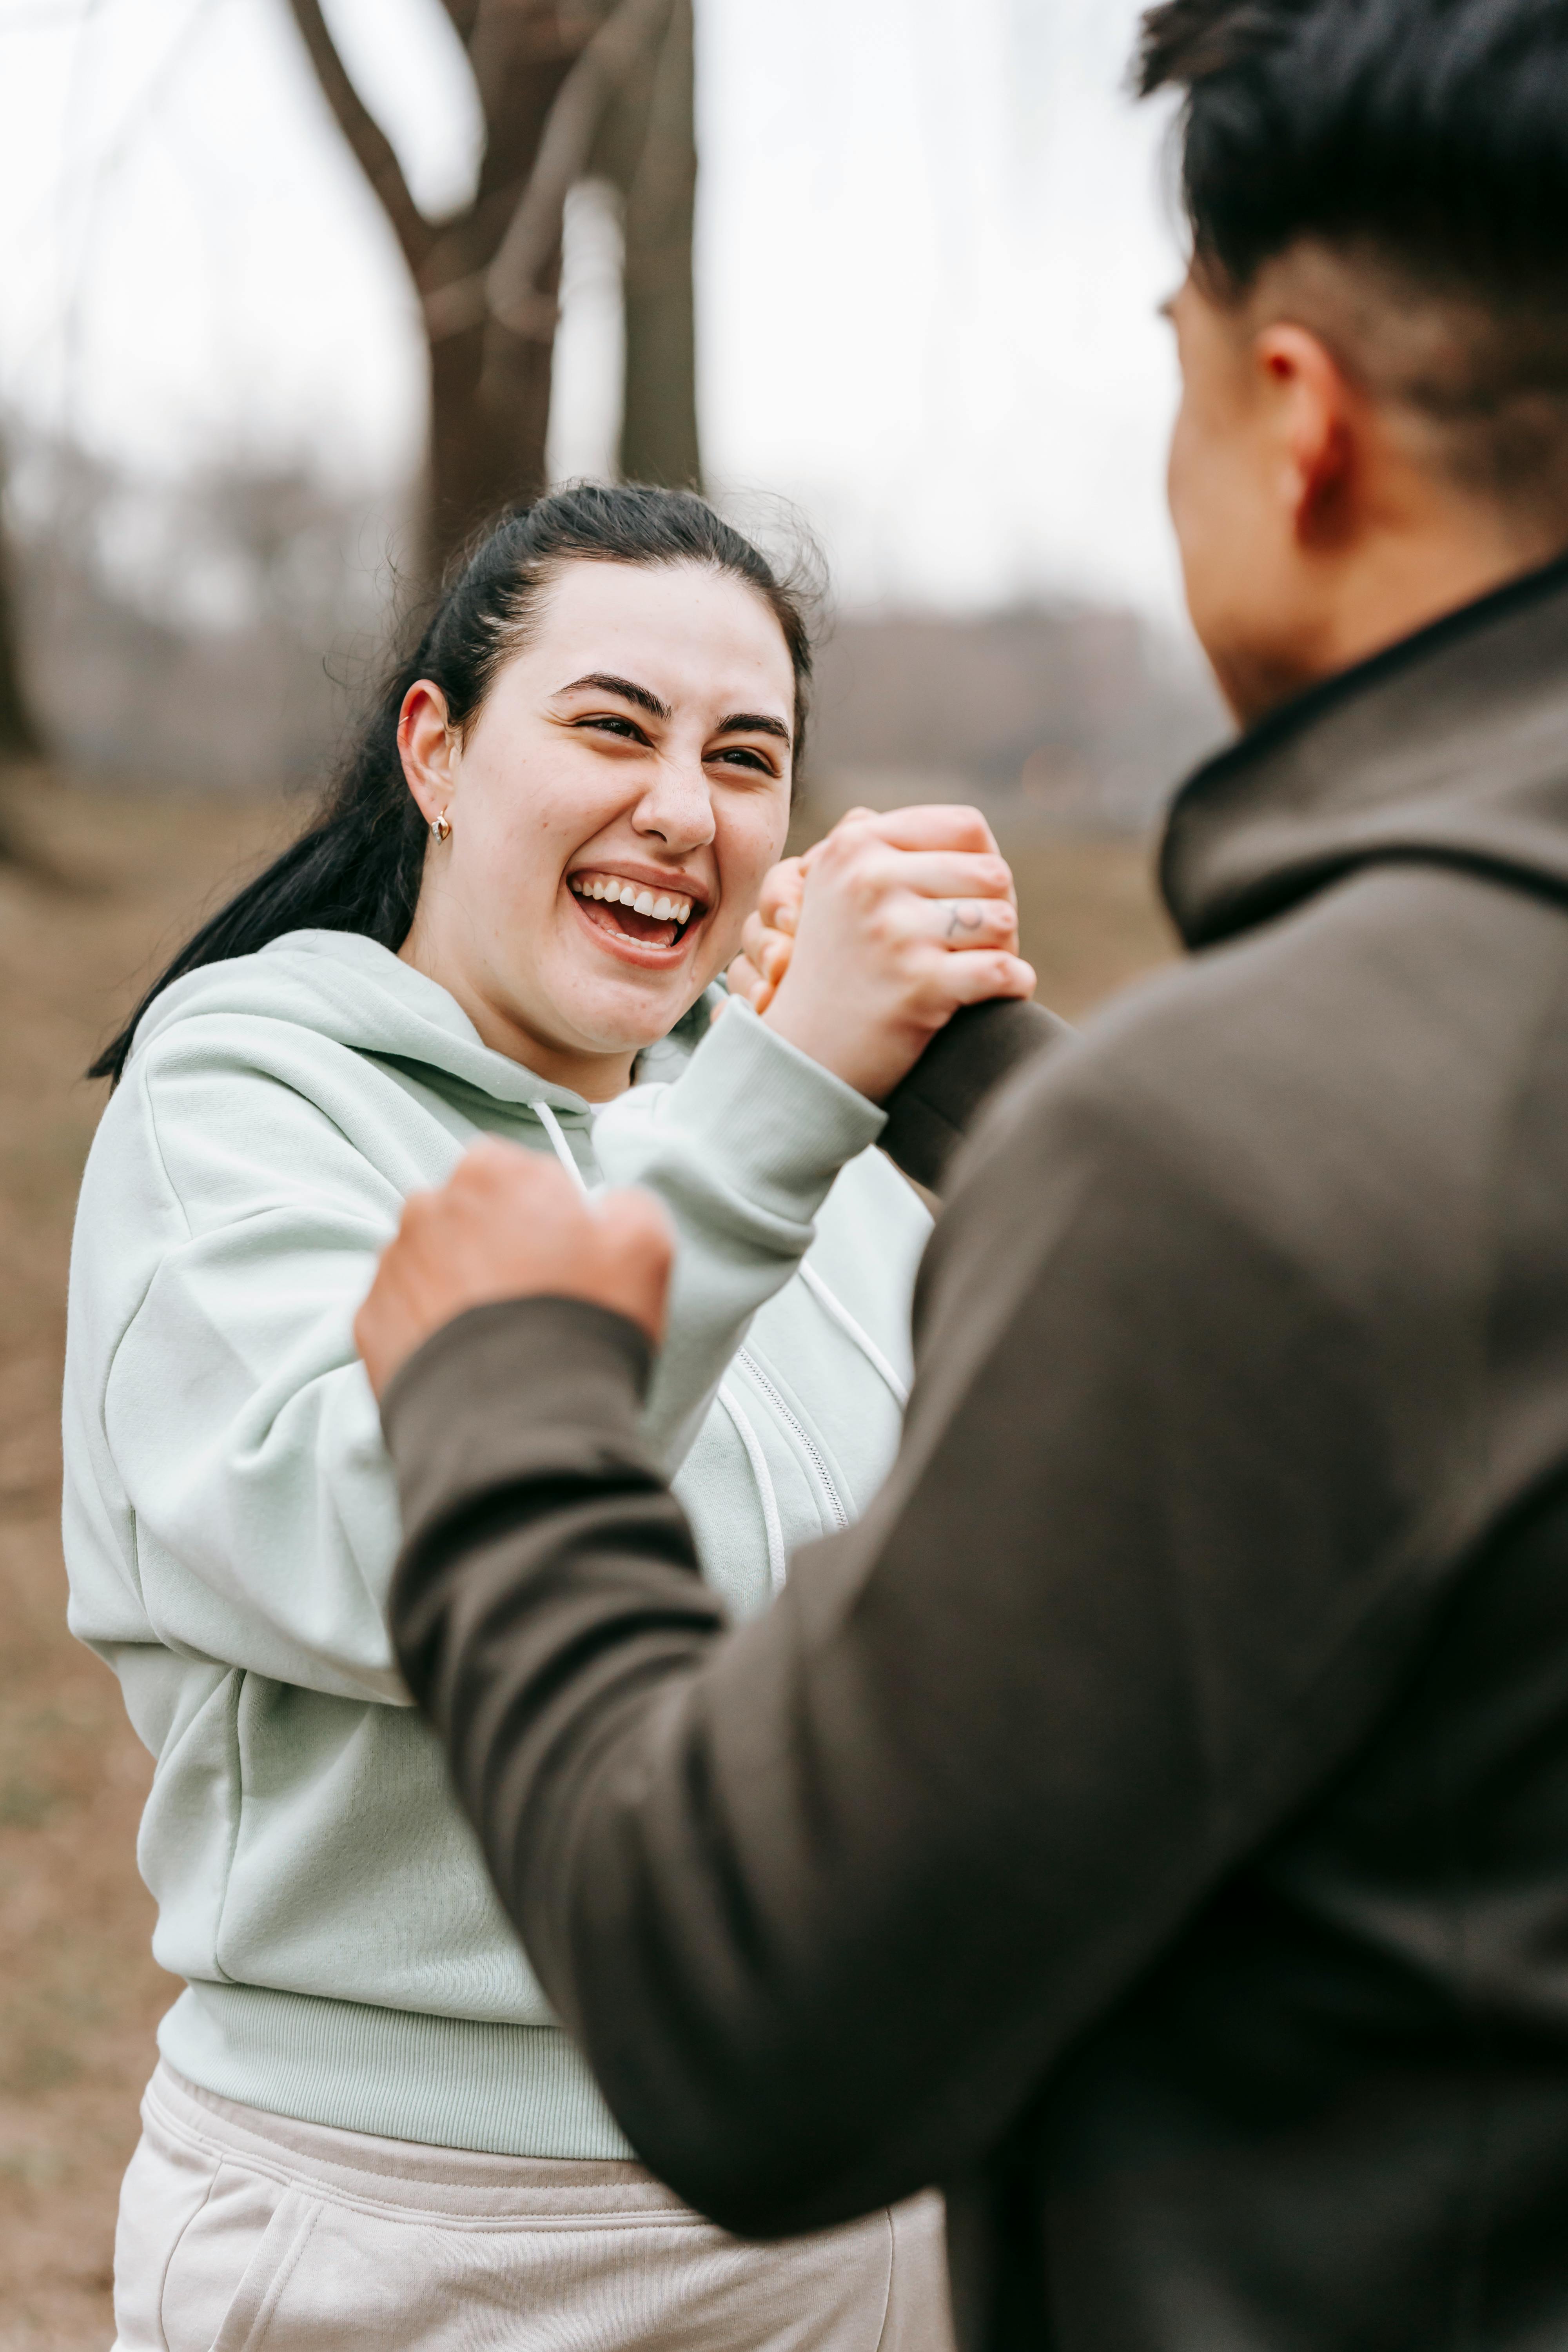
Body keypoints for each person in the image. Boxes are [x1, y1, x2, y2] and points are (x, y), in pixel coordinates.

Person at [354, 4, 1568, 2348]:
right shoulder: (1299, 1122)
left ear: (1294, 418)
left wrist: (509, 1422)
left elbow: (758, 2021)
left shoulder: (1229, 1157)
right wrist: (996, 1099)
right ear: (440, 748)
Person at [62, 482, 1039, 2349]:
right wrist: (773, 1108)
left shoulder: (798, 1147)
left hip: (856, 2215)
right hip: (417, 2243)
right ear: (435, 752)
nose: (684, 806)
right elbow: (375, 1555)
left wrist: (991, 1122)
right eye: (612, 725)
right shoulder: (240, 1106)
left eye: (745, 758)